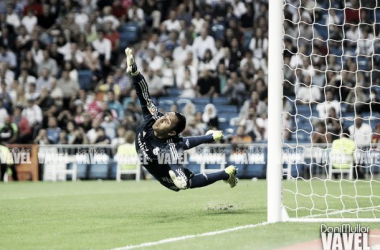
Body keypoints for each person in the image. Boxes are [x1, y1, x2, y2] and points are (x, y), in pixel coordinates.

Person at [124, 48, 237, 191]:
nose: (161, 119)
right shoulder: (153, 116)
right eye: (165, 116)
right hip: (146, 154)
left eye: (167, 121)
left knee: (185, 183)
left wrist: (180, 176)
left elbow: (175, 163)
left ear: (171, 133)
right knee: (182, 143)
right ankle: (210, 137)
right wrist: (135, 72)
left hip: (157, 166)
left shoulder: (170, 148)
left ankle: (225, 174)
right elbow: (143, 92)